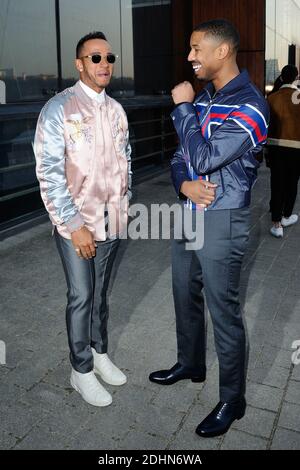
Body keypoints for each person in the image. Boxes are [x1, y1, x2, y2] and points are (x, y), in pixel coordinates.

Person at [149, 19, 269, 437]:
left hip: (224, 217)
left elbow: (204, 155)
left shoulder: (251, 105)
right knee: (183, 291)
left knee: (225, 312)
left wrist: (181, 108)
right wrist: (182, 183)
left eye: (196, 48)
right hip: (189, 211)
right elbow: (182, 157)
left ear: (222, 51)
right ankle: (191, 363)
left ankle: (233, 399)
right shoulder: (204, 98)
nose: (189, 57)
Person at [34, 31, 132, 407]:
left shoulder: (116, 110)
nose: (104, 64)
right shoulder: (60, 109)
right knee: (81, 296)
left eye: (109, 57)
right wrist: (74, 226)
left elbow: (126, 161)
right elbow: (49, 173)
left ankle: (99, 352)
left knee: (101, 295)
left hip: (113, 222)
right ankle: (80, 370)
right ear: (80, 64)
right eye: (95, 58)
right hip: (77, 225)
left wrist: (125, 200)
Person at [267, 64, 300, 238]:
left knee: (277, 183)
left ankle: (276, 223)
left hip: (276, 147)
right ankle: (287, 215)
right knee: (292, 183)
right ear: (296, 76)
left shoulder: (272, 97)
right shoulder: (298, 97)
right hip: (297, 149)